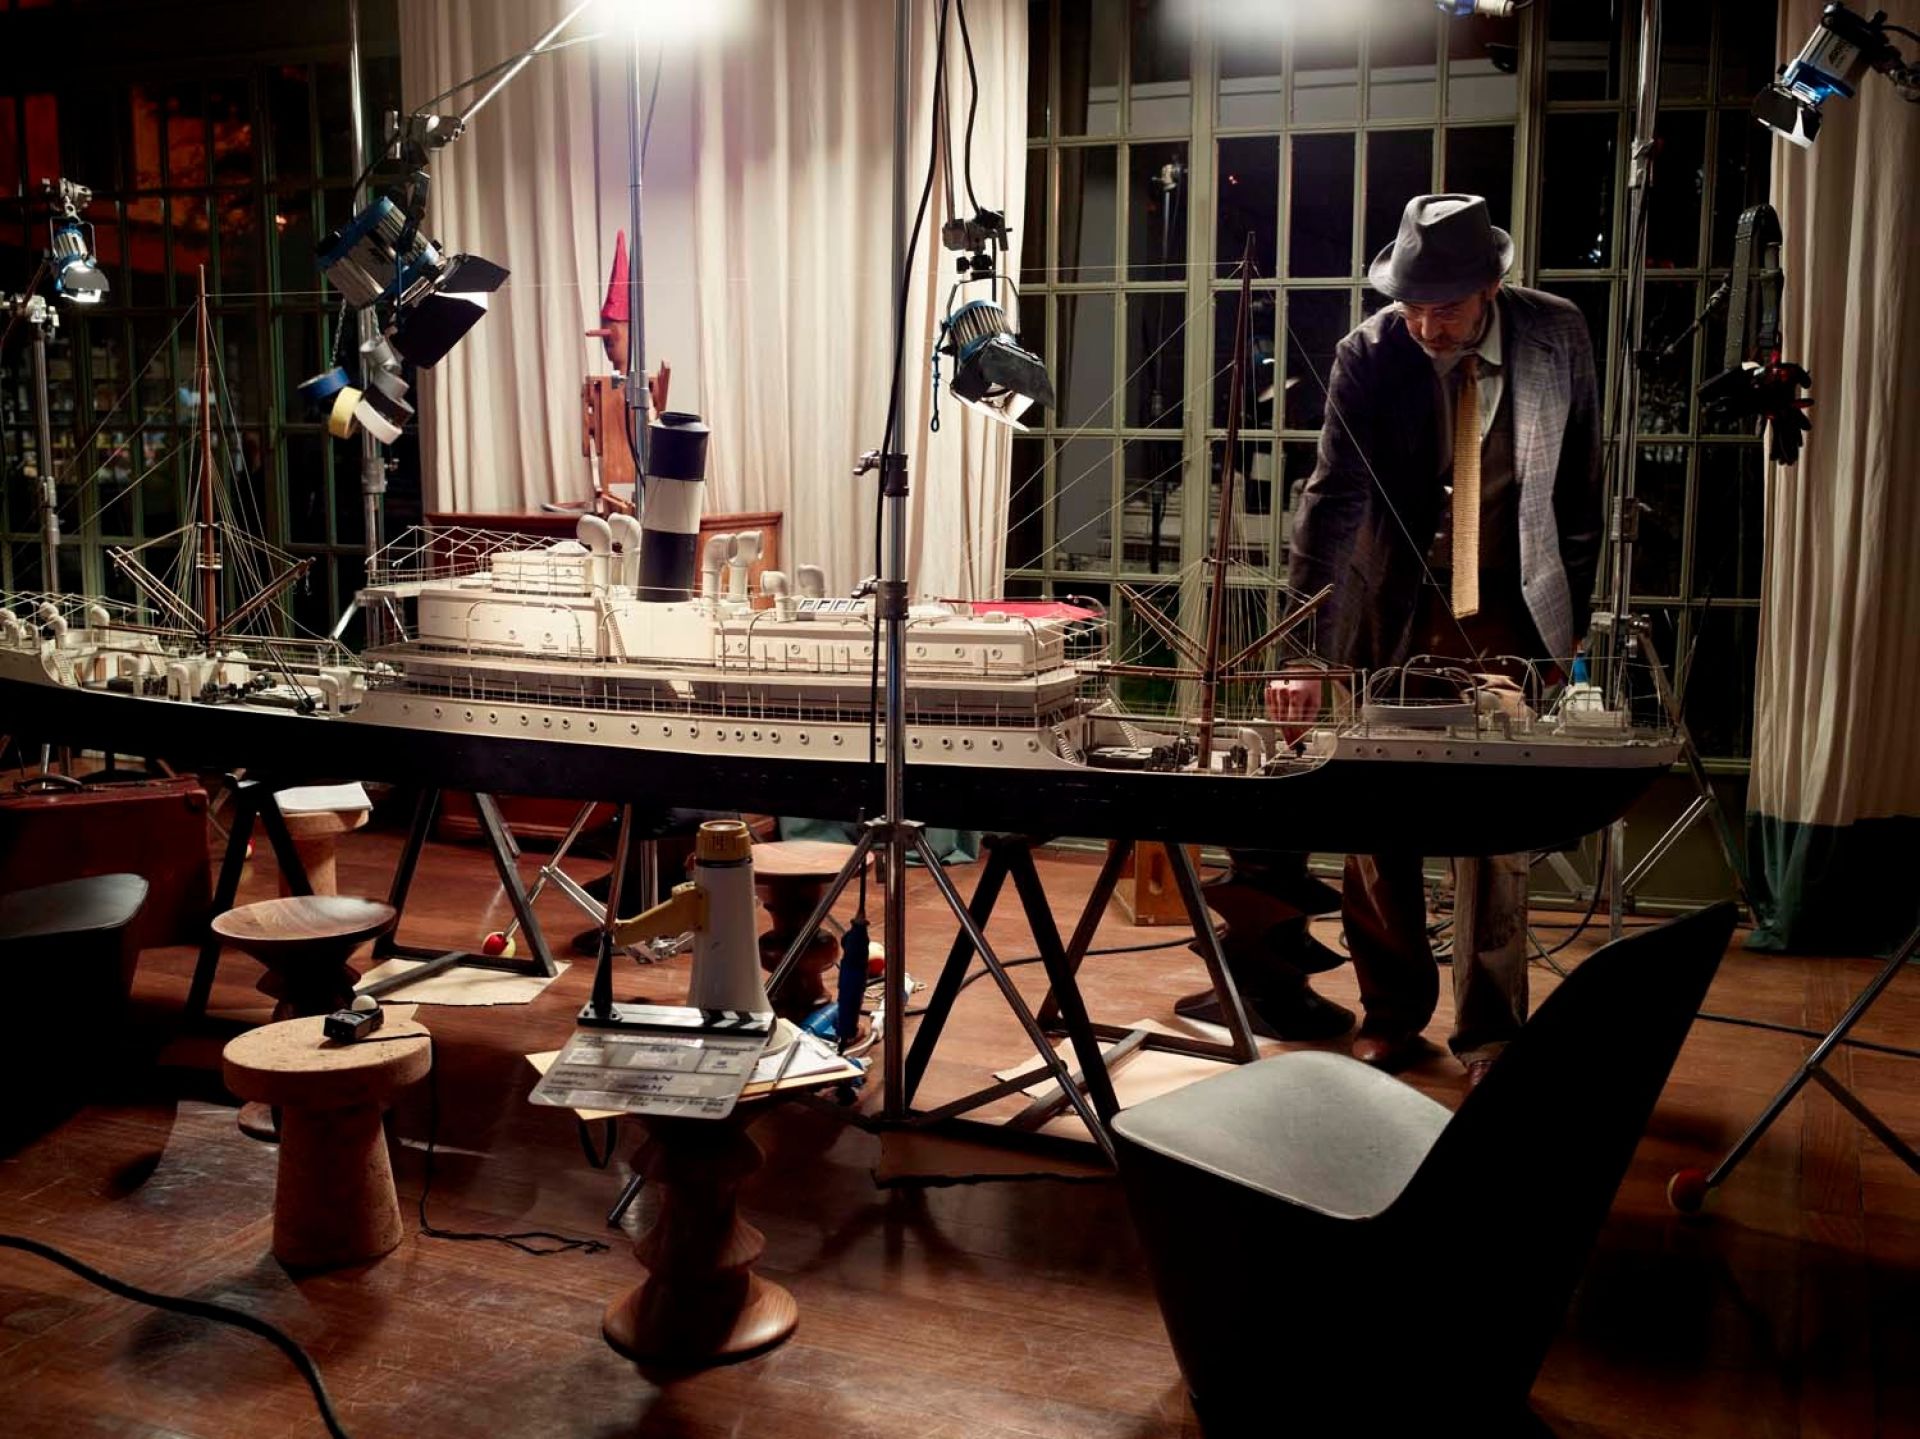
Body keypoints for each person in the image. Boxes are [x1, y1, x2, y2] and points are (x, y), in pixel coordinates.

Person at [1281, 193, 1603, 1086]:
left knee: (1494, 833)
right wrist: (1305, 652)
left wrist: (1565, 636)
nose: (1426, 325)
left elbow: (1581, 488)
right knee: (1374, 820)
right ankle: (1392, 1012)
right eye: (1412, 305)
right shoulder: (1370, 352)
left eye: (1446, 307)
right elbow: (1332, 501)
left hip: (1507, 608)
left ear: (1491, 287)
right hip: (1390, 609)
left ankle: (1491, 1030)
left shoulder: (1557, 333)